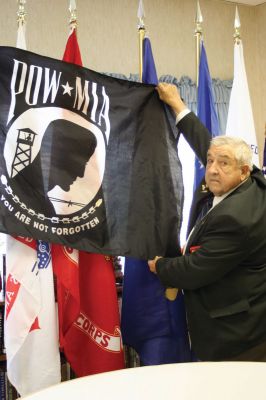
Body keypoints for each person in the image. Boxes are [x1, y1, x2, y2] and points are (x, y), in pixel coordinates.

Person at [148, 82, 266, 361]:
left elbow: (195, 271)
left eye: (222, 163)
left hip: (237, 340)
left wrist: (159, 265)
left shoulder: (237, 218)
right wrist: (178, 105)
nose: (211, 169)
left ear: (242, 171)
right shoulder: (252, 180)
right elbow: (208, 146)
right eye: (210, 161)